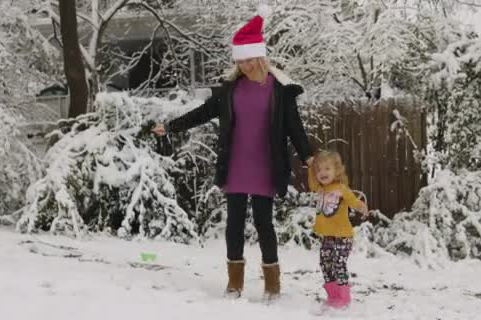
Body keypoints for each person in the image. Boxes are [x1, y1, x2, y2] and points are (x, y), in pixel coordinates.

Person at [151, 14, 313, 300]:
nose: (245, 66)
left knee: (265, 224)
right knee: (234, 224)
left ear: (261, 58)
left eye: (249, 60)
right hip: (236, 164)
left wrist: (309, 157)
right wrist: (171, 126)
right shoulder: (230, 90)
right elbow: (202, 113)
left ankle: (272, 286)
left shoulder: (281, 91)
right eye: (240, 61)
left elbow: (294, 129)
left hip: (266, 165)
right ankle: (234, 283)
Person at [308, 150, 368, 309]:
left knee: (338, 263)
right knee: (325, 263)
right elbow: (311, 181)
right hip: (327, 236)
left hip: (343, 236)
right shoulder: (318, 188)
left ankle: (344, 296)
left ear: (337, 170)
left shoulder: (341, 188)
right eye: (319, 169)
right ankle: (333, 295)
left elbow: (353, 201)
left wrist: (361, 206)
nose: (322, 172)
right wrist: (310, 166)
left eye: (327, 168)